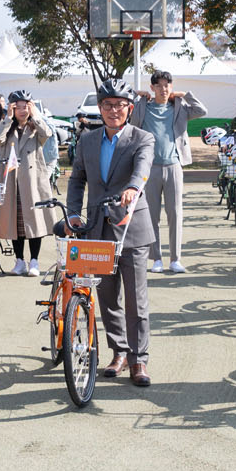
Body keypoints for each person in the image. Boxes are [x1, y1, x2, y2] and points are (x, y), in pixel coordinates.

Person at [67, 79, 155, 386]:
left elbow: (142, 168)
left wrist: (133, 188)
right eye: (107, 105)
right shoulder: (87, 140)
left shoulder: (142, 138)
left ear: (129, 109)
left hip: (131, 227)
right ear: (99, 108)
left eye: (119, 105)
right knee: (106, 297)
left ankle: (139, 359)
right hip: (97, 229)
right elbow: (76, 179)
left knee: (136, 299)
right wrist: (73, 213)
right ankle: (119, 352)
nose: (113, 110)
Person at [130, 69, 206, 274]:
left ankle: (175, 259)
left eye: (167, 85)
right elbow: (126, 112)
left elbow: (201, 111)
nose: (163, 89)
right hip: (149, 168)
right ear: (152, 87)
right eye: (159, 86)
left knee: (175, 214)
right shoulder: (143, 107)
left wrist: (185, 95)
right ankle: (156, 259)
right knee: (151, 215)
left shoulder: (179, 107)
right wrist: (137, 94)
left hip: (174, 166)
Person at [0, 89, 56, 276]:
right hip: (11, 180)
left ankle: (34, 261)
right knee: (14, 222)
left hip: (32, 181)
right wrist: (8, 118)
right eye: (17, 107)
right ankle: (19, 261)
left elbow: (48, 133)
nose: (22, 111)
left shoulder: (35, 127)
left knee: (35, 222)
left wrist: (36, 116)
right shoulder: (7, 127)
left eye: (25, 106)